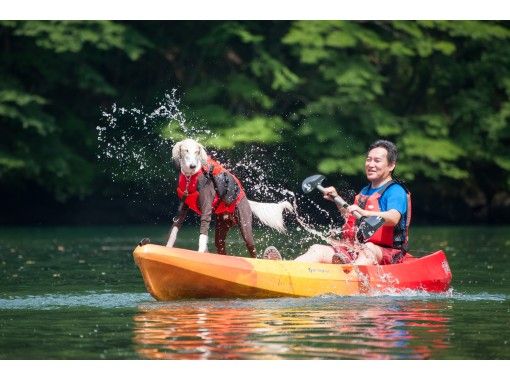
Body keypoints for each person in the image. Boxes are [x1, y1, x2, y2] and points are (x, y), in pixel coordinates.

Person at [264, 140, 411, 265]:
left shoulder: (395, 190)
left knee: (369, 248)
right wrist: (337, 200)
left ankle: (347, 275)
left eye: (377, 161)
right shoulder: (365, 191)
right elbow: (351, 218)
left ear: (391, 166)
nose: (371, 164)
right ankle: (287, 268)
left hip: (388, 253)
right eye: (368, 159)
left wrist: (366, 213)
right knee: (317, 249)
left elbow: (393, 218)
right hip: (359, 249)